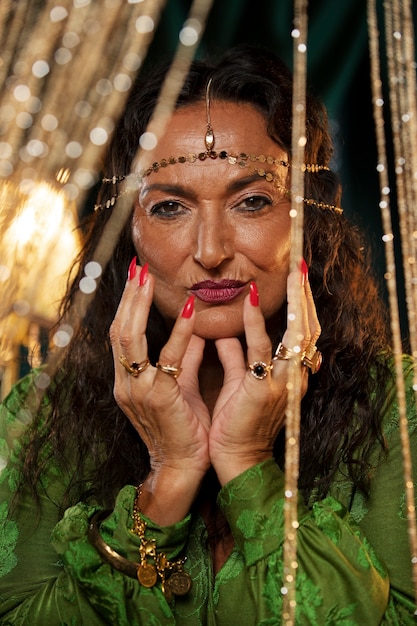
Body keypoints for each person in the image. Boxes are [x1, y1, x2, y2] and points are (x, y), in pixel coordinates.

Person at [0, 45, 415, 625]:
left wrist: (247, 466)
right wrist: (168, 479)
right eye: (170, 207)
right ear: (130, 235)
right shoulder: (40, 416)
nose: (212, 251)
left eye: (252, 202)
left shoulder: (400, 407)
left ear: (307, 222)